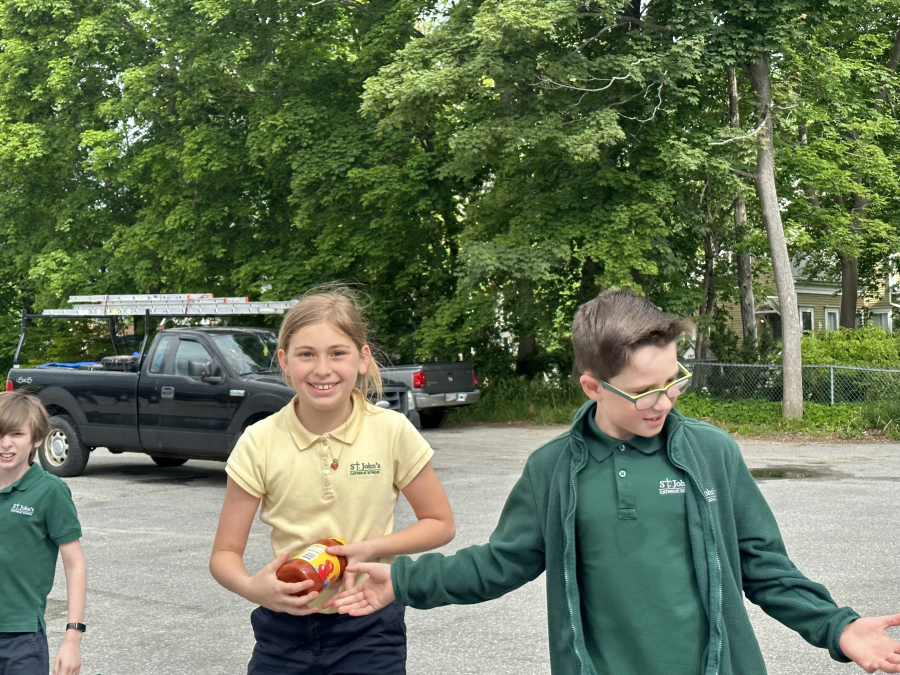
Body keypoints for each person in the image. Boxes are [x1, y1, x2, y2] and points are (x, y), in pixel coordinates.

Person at [332, 290, 900, 675]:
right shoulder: (552, 470)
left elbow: (766, 568)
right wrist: (401, 579)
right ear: (592, 387)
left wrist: (839, 628)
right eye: (643, 390)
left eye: (673, 380)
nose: (664, 400)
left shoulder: (712, 453)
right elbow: (497, 564)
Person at [209, 286, 455, 675]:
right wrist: (253, 588)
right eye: (306, 354)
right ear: (284, 361)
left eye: (337, 353)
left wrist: (368, 548)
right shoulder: (259, 440)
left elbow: (440, 524)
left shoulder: (392, 431)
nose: (322, 369)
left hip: (369, 623)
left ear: (362, 358)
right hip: (282, 630)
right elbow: (223, 555)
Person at [0, 390, 87, 675]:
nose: (5, 443)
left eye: (16, 434)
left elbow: (74, 565)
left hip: (21, 638)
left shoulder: (50, 491)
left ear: (36, 439)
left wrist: (72, 638)